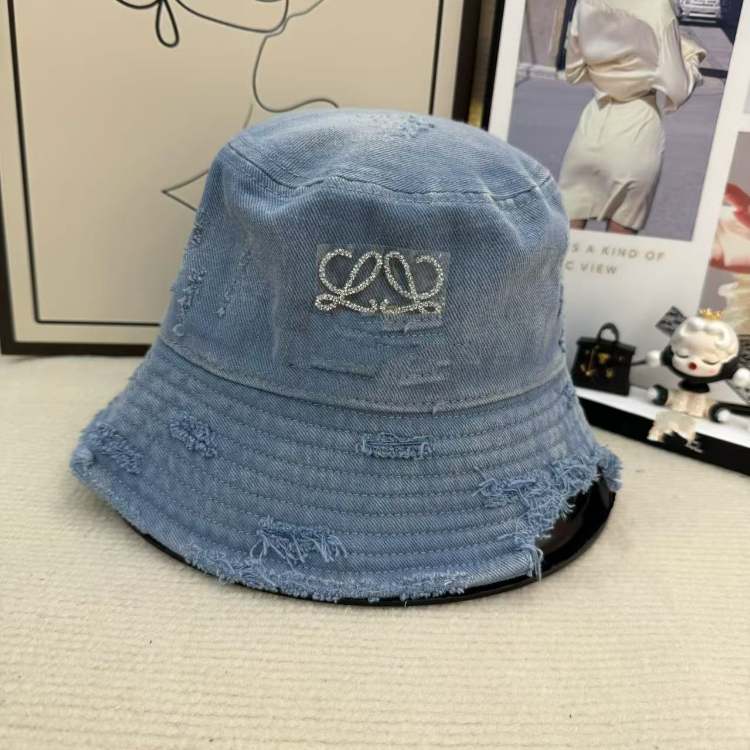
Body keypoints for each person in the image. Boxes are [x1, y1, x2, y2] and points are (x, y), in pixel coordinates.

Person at [558, 0, 705, 235]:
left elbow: (574, 73)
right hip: (638, 128)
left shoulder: (586, 3)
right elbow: (678, 90)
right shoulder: (659, 8)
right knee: (620, 244)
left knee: (565, 239)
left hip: (592, 124)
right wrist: (691, 55)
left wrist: (609, 74)